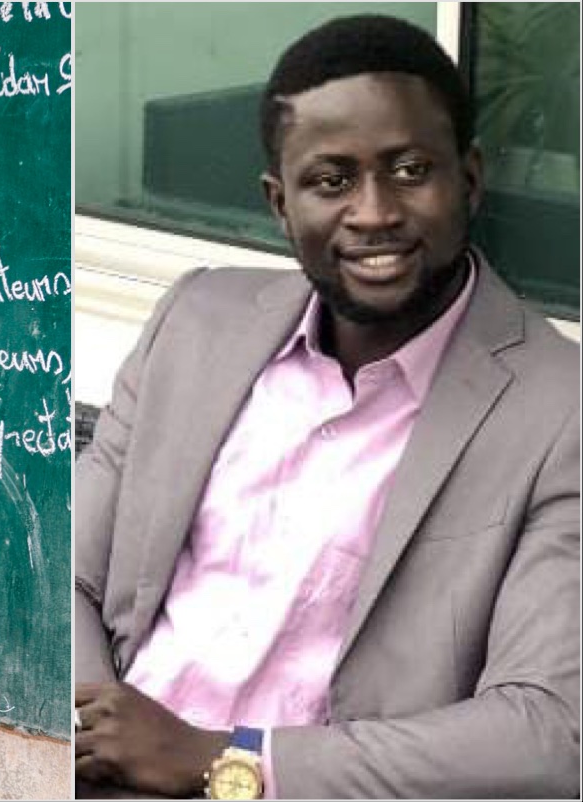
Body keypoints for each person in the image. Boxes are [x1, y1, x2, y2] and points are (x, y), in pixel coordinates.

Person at [74, 15, 578, 800]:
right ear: (281, 203)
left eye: (411, 170)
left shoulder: (558, 411)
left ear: (469, 178)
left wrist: (223, 761)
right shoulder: (194, 322)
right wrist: (96, 734)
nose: (374, 212)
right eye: (332, 181)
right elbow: (63, 575)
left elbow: (547, 734)